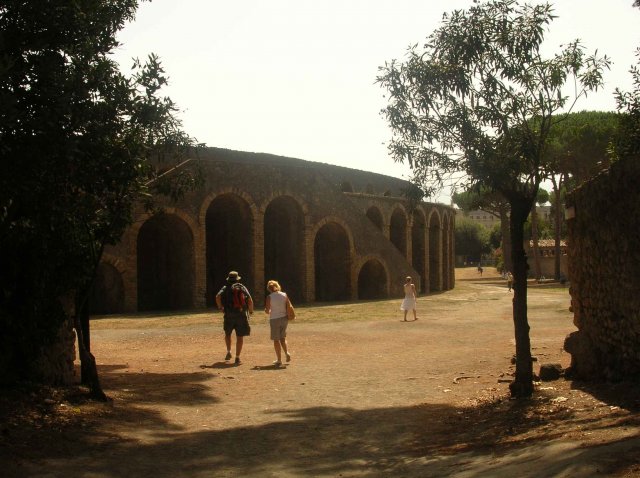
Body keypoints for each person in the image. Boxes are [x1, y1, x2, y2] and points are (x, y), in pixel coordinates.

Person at [215, 271, 254, 365]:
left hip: (229, 314)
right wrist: (251, 311)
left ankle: (229, 351)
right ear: (237, 279)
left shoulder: (225, 288)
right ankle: (237, 358)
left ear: (228, 279)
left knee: (228, 334)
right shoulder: (242, 287)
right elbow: (250, 300)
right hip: (241, 315)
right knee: (240, 336)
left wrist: (220, 307)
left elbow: (217, 296)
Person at [264, 280, 293, 367]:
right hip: (284, 318)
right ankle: (287, 352)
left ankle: (279, 360)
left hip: (274, 319)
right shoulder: (284, 294)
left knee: (276, 340)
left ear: (269, 289)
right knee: (283, 337)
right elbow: (289, 305)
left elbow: (267, 310)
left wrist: (266, 310)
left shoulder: (269, 297)